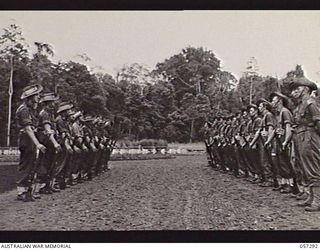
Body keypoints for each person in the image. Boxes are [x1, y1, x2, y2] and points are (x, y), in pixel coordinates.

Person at [290, 77, 320, 212]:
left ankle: (317, 200)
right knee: (306, 168)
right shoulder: (300, 105)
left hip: (310, 136)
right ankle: (311, 196)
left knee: (313, 168)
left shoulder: (310, 103)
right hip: (301, 137)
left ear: (306, 89)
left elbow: (318, 122)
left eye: (297, 88)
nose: (294, 92)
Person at [15, 84, 46, 202]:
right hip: (26, 138)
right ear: (31, 97)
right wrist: (37, 143)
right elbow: (28, 128)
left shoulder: (29, 109)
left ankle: (26, 190)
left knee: (31, 163)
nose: (38, 97)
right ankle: (21, 191)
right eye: (36, 95)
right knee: (26, 164)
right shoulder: (24, 110)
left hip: (28, 138)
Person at [36, 92, 62, 195]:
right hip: (46, 141)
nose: (55, 104)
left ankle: (47, 185)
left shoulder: (50, 113)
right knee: (44, 163)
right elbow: (47, 130)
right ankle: (41, 187)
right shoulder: (45, 114)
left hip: (49, 141)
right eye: (53, 102)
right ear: (48, 103)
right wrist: (55, 143)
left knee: (51, 163)